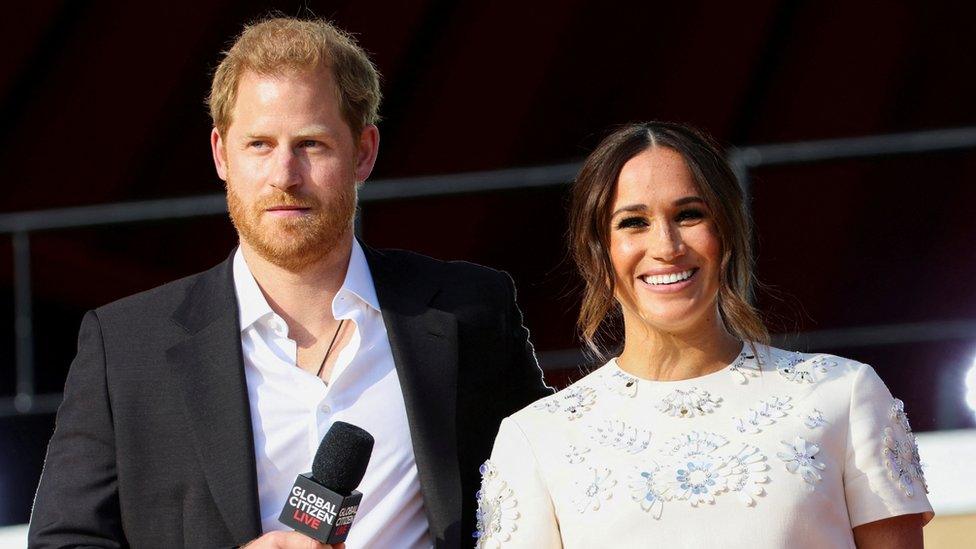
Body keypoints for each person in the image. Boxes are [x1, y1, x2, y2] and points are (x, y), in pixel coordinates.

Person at [28, 17, 550, 549]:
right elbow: (64, 541)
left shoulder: (471, 311)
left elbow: (552, 494)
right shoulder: (125, 346)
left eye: (311, 144)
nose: (284, 175)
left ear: (363, 152)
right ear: (220, 154)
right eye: (258, 144)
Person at [474, 122, 933, 548]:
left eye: (689, 214)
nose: (667, 247)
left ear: (727, 235)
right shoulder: (537, 438)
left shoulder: (842, 396)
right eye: (633, 222)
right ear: (598, 254)